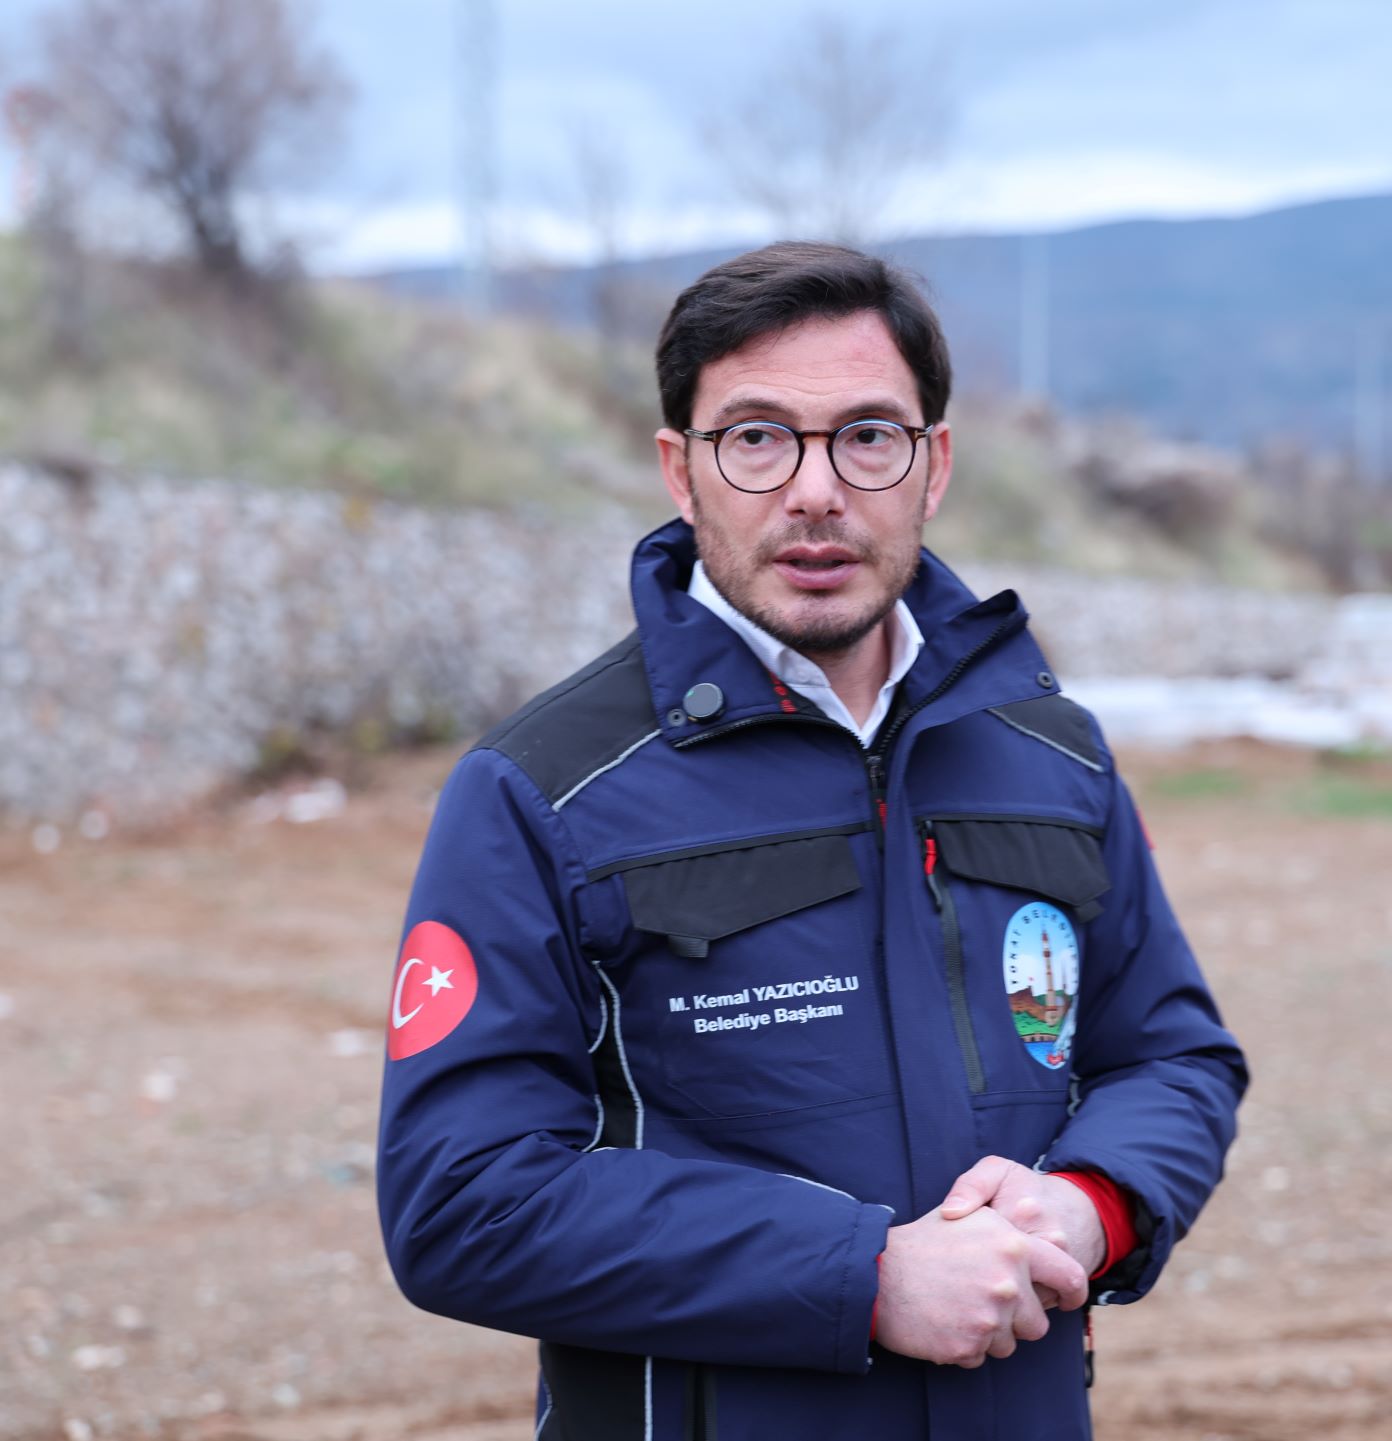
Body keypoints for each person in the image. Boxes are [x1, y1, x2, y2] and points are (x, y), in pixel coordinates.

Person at [377, 241, 1247, 1441]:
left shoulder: (1054, 755)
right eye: (757, 438)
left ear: (934, 465)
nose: (815, 490)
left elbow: (1173, 1057)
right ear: (681, 470)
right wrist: (862, 1276)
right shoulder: (541, 791)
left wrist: (1092, 1205)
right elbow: (462, 1201)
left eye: (868, 436)